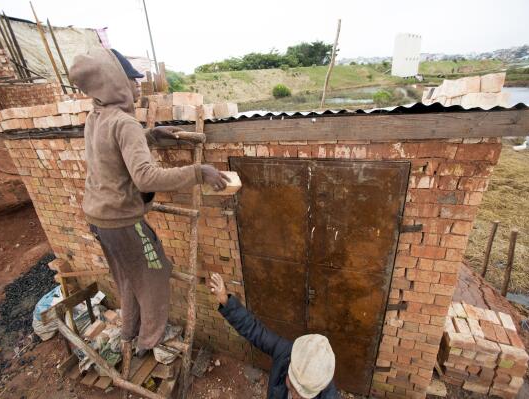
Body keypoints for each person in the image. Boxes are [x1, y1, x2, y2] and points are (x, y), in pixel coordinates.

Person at [69, 48, 229, 362]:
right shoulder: (123, 123)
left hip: (99, 218)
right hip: (123, 222)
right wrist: (200, 173)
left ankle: (129, 330)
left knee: (128, 277)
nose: (138, 83)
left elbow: (111, 147)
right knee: (155, 274)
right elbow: (145, 178)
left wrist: (150, 136)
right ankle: (151, 338)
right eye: (131, 77)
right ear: (112, 82)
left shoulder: (96, 116)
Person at [209, 273, 339, 399]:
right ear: (291, 364)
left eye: (302, 395)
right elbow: (255, 331)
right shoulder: (285, 352)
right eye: (292, 385)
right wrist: (225, 300)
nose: (294, 396)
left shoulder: (328, 393)